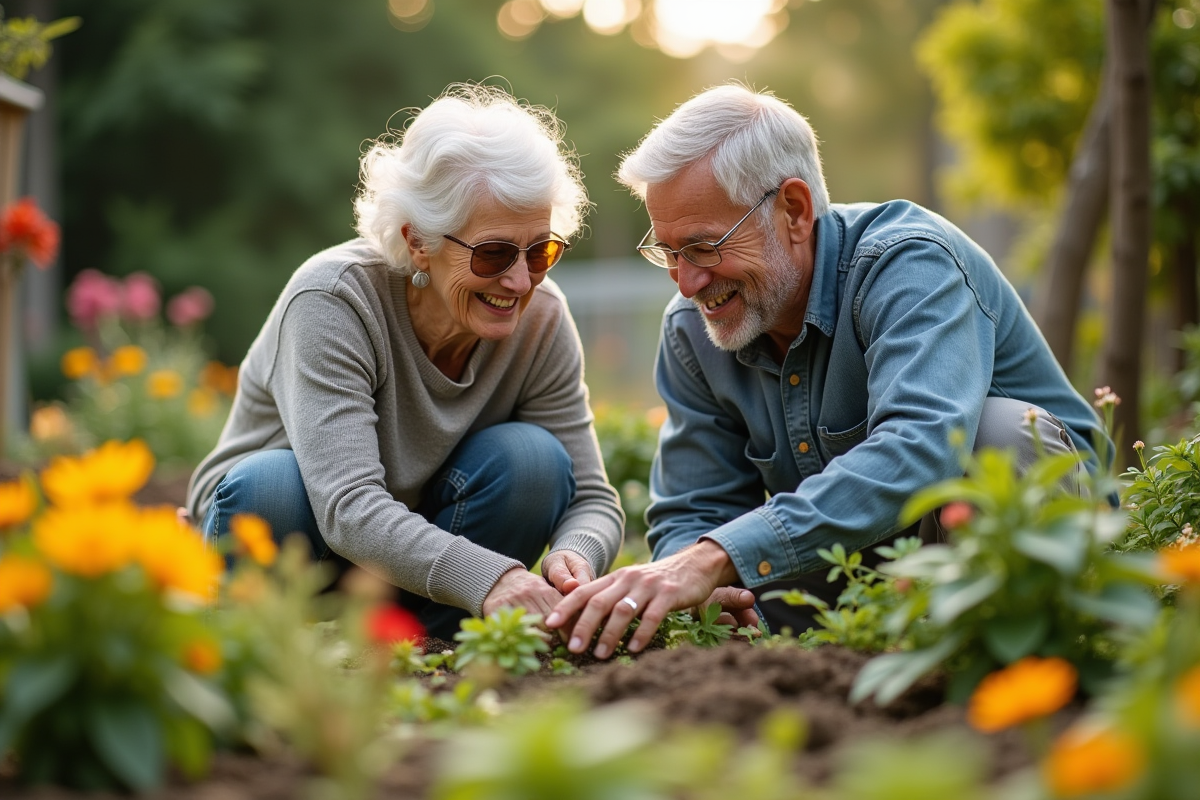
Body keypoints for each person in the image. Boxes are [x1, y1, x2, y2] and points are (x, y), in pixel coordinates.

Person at [545, 83, 1108, 658]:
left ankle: (1012, 663)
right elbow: (696, 506)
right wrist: (707, 585)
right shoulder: (693, 328)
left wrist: (717, 557)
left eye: (705, 247)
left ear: (794, 210)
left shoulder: (908, 264)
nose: (687, 282)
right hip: (852, 570)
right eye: (669, 253)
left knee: (999, 437)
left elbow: (920, 446)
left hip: (1003, 541)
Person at [187, 85, 624, 638]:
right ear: (418, 242)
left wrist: (576, 557)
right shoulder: (333, 301)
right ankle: (257, 646)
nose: (520, 281)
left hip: (416, 558)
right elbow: (347, 505)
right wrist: (493, 579)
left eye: (541, 250)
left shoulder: (543, 319)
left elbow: (592, 497)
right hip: (302, 536)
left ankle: (429, 645)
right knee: (270, 486)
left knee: (533, 462)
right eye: (493, 253)